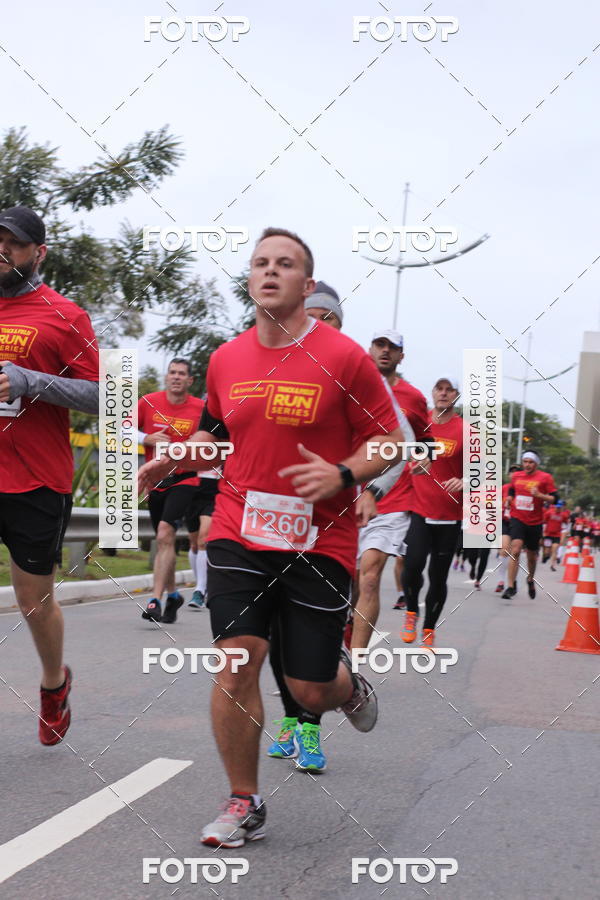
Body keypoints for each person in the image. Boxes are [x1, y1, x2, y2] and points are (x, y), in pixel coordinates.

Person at [138, 227, 405, 847]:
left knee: (309, 686)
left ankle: (348, 686)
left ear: (306, 284)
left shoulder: (344, 358)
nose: (269, 272)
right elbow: (215, 434)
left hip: (319, 539)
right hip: (239, 528)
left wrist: (342, 473)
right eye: (260, 263)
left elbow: (391, 441)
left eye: (285, 264)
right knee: (236, 665)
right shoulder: (226, 358)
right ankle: (243, 800)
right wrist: (177, 458)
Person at [0, 205, 99, 744]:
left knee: (32, 600)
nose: (2, 250)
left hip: (35, 479)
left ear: (38, 253)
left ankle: (53, 683)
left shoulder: (65, 315)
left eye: (12, 243)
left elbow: (103, 395)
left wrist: (26, 381)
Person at [266, 285, 343, 772]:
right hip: (272, 522)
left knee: (311, 639)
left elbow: (394, 443)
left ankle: (312, 728)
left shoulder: (353, 374)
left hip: (330, 531)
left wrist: (365, 486)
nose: (314, 326)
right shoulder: (274, 370)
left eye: (325, 319)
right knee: (274, 631)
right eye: (308, 316)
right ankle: (292, 718)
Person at [351, 329, 429, 651]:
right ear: (369, 349)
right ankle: (332, 658)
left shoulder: (413, 397)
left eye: (392, 348)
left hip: (391, 499)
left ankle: (353, 667)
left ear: (401, 356)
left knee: (370, 577)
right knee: (346, 583)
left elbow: (424, 442)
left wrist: (423, 459)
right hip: (343, 495)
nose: (385, 352)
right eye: (379, 345)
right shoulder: (351, 386)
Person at [137, 359, 204, 624]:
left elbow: (213, 442)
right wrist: (146, 438)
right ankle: (174, 594)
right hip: (155, 482)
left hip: (185, 479)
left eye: (182, 374)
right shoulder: (148, 402)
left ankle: (155, 600)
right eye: (172, 373)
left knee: (165, 533)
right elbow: (119, 431)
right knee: (165, 541)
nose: (176, 377)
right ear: (167, 377)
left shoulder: (201, 408)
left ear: (190, 381)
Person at [400, 376, 464, 649]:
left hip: (449, 515)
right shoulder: (417, 423)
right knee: (412, 565)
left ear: (457, 395)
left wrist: (466, 481)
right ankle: (411, 610)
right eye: (439, 388)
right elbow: (396, 453)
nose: (444, 393)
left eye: (450, 390)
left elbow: (485, 471)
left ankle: (429, 629)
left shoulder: (467, 431)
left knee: (438, 576)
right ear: (433, 392)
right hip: (418, 508)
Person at [502, 451, 558, 599]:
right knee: (515, 549)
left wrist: (540, 496)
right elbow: (512, 490)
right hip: (517, 517)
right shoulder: (516, 476)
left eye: (531, 462)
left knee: (532, 556)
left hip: (535, 521)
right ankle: (511, 586)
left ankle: (530, 579)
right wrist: (509, 498)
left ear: (536, 463)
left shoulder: (545, 478)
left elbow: (555, 498)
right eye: (525, 461)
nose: (527, 464)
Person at [495, 464, 520, 593]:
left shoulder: (524, 489)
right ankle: (501, 581)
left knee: (514, 553)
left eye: (517, 472)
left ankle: (512, 579)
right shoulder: (503, 488)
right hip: (504, 522)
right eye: (512, 472)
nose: (514, 474)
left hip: (519, 523)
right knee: (504, 550)